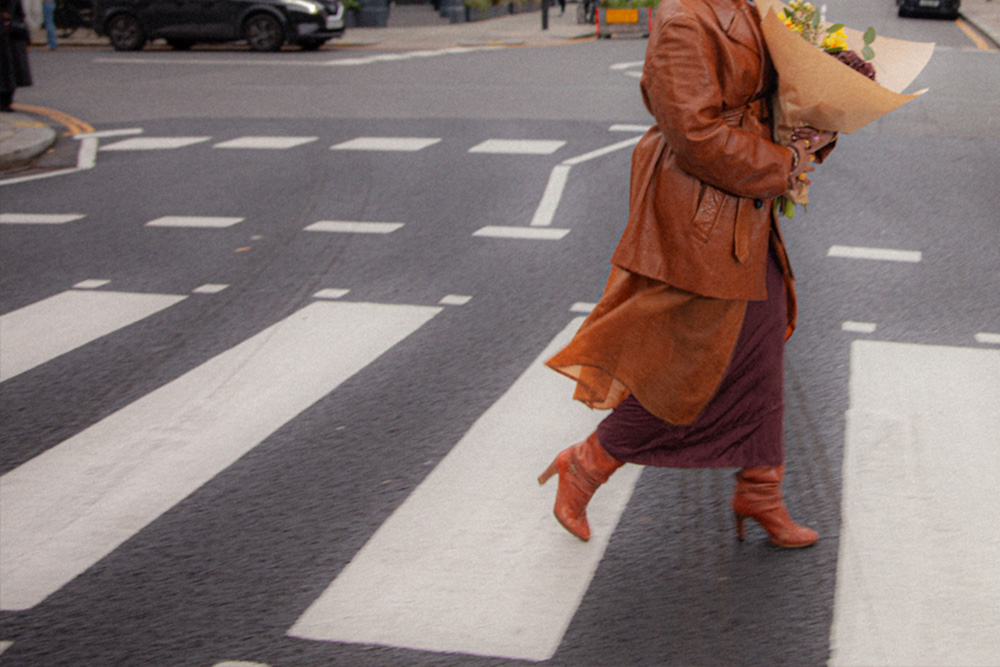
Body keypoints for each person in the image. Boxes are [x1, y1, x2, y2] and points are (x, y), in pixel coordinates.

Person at [539, 0, 836, 548]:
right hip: (702, 215)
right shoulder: (684, 20)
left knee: (760, 349)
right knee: (692, 363)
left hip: (744, 212)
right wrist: (783, 164)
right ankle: (585, 464)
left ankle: (760, 490)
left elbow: (772, 99)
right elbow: (694, 136)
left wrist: (816, 127)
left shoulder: (750, 9)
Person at [1, 0, 33, 111]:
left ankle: (5, 101)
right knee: (12, 71)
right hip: (13, 36)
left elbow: (8, 13)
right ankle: (6, 101)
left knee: (8, 71)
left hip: (9, 36)